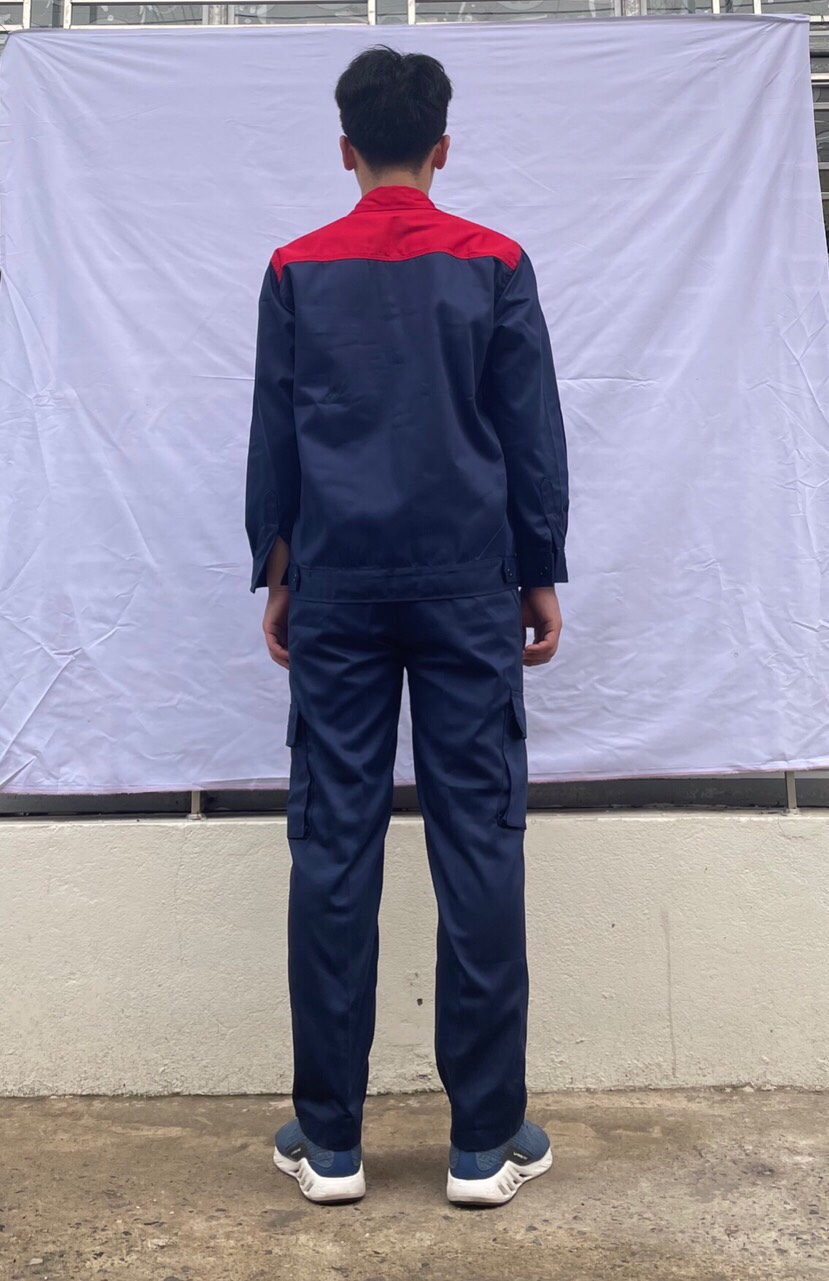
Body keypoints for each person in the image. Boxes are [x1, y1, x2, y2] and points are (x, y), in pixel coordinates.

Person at [245, 44, 569, 1208]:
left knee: (332, 844)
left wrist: (277, 570)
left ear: (346, 149)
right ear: (442, 147)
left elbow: (276, 434)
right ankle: (482, 1142)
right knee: (477, 839)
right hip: (466, 587)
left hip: (338, 584)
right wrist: (538, 570)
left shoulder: (295, 268)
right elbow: (528, 433)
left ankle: (331, 1143)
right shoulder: (495, 263)